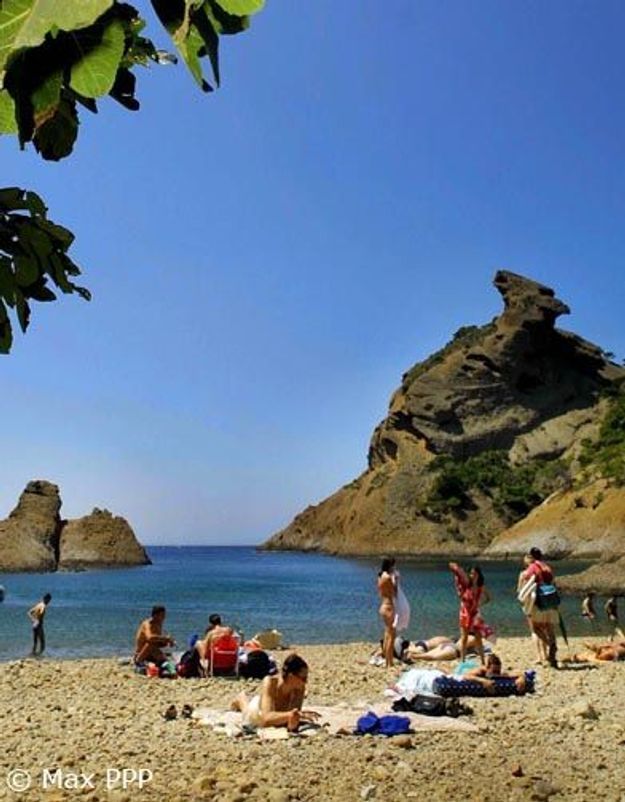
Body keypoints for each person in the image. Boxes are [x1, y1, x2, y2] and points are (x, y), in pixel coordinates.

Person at [231, 653, 320, 731]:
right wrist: (293, 714)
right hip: (259, 711)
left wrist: (295, 718)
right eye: (303, 678)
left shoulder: (299, 688)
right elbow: (266, 719)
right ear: (291, 676)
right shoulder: (271, 682)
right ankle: (241, 698)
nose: (305, 682)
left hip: (277, 714)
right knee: (248, 711)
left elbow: (292, 718)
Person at [520, 547, 559, 668]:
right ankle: (553, 650)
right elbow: (553, 581)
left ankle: (549, 644)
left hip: (540, 601)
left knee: (536, 628)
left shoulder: (533, 567)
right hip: (551, 601)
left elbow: (526, 578)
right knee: (550, 627)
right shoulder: (547, 567)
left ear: (532, 556)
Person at [449, 562, 491, 664]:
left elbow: (488, 598)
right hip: (465, 614)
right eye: (471, 574)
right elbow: (456, 572)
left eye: (475, 573)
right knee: (464, 637)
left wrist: (479, 604)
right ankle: (462, 661)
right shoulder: (466, 586)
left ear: (479, 574)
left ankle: (482, 661)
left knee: (478, 638)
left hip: (475, 614)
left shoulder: (480, 587)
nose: (473, 576)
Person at [377, 557, 397, 668]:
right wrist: (396, 581)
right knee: (392, 635)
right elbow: (394, 592)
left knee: (387, 633)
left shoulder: (380, 576)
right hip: (389, 607)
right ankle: (389, 662)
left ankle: (386, 659)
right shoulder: (388, 577)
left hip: (383, 605)